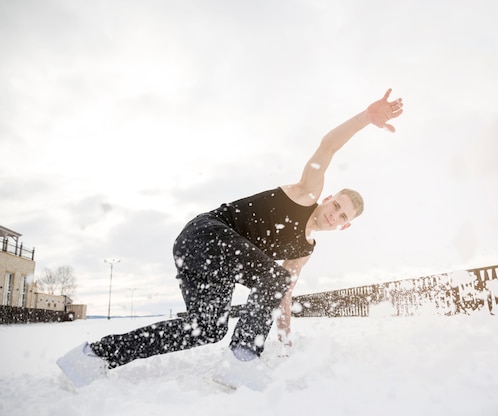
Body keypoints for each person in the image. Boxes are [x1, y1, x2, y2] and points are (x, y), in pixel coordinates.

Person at [56, 89, 404, 390]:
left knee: (205, 329)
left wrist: (284, 338)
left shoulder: (304, 249)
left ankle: (92, 357)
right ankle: (241, 358)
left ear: (344, 227)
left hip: (208, 263)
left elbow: (282, 294)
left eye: (343, 216)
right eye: (337, 205)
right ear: (328, 198)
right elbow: (327, 147)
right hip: (204, 234)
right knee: (271, 278)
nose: (335, 214)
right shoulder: (305, 193)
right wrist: (364, 118)